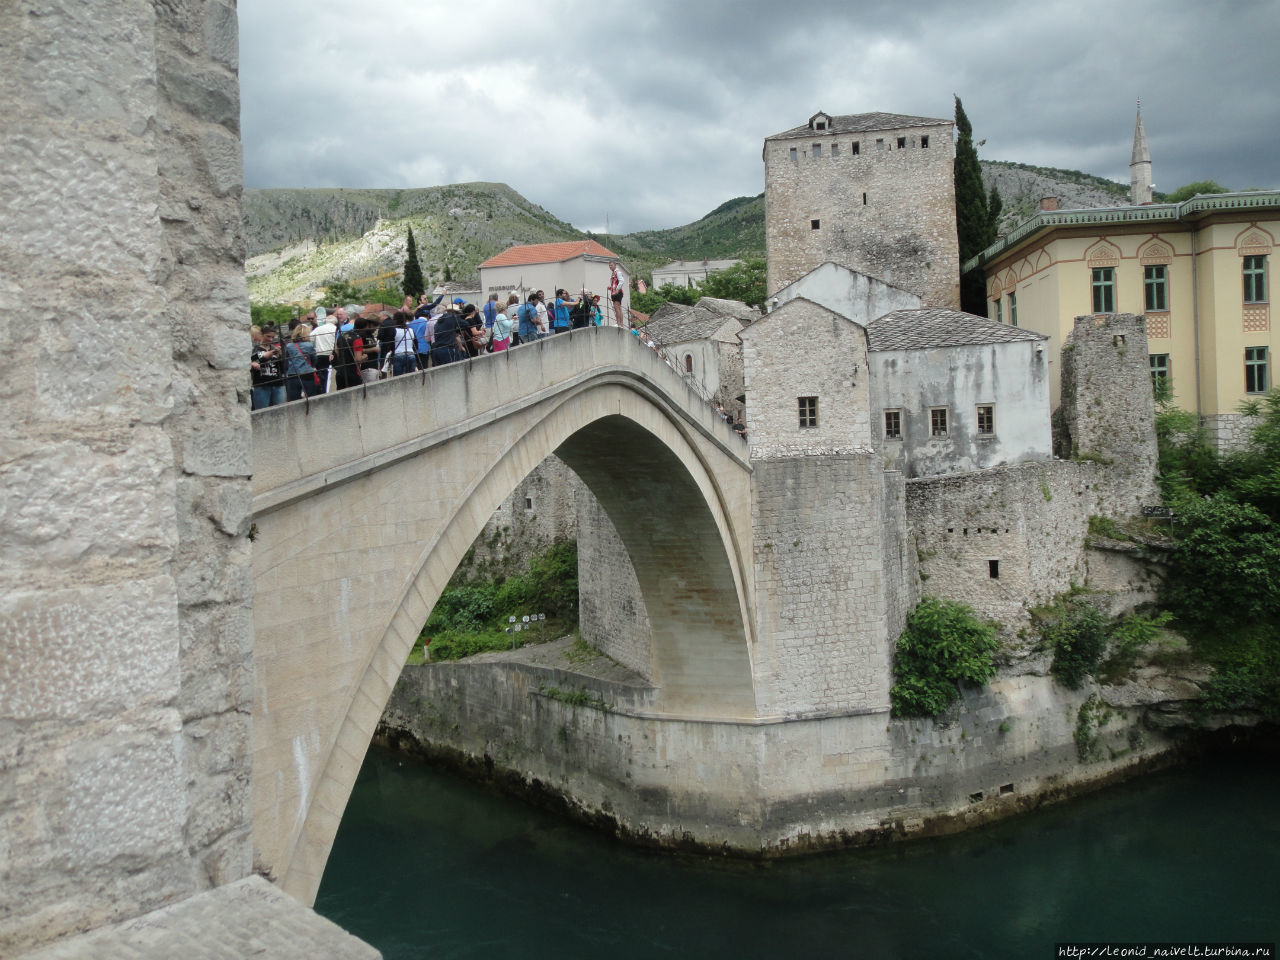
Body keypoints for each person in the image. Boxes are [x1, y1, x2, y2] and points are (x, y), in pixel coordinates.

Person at [251, 324, 286, 408]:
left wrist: (281, 356)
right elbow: (250, 361)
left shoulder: (275, 348)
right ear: (261, 335)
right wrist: (264, 357)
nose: (271, 339)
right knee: (261, 412)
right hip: (261, 384)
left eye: (273, 337)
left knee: (280, 410)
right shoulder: (254, 349)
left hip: (278, 383)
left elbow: (283, 368)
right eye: (268, 336)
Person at [283, 324, 321, 400]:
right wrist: (312, 365)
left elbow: (286, 360)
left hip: (293, 373)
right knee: (310, 397)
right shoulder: (309, 345)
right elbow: (314, 359)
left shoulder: (289, 346)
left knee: (294, 398)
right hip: (307, 373)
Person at [311, 308, 337, 390]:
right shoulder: (335, 329)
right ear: (335, 322)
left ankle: (322, 390)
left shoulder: (318, 329)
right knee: (331, 375)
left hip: (320, 354)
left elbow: (310, 338)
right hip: (331, 354)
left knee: (322, 376)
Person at [390, 311, 418, 375]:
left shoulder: (394, 330)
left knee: (398, 378)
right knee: (411, 377)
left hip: (398, 355)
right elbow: (416, 344)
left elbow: (391, 345)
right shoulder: (411, 330)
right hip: (411, 354)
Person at [607, 261, 625, 328]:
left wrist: (617, 289)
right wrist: (611, 288)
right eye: (609, 265)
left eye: (611, 265)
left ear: (615, 265)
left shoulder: (617, 272)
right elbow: (616, 283)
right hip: (615, 292)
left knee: (616, 307)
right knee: (618, 308)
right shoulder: (613, 273)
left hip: (617, 293)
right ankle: (621, 324)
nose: (610, 267)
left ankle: (619, 323)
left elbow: (622, 281)